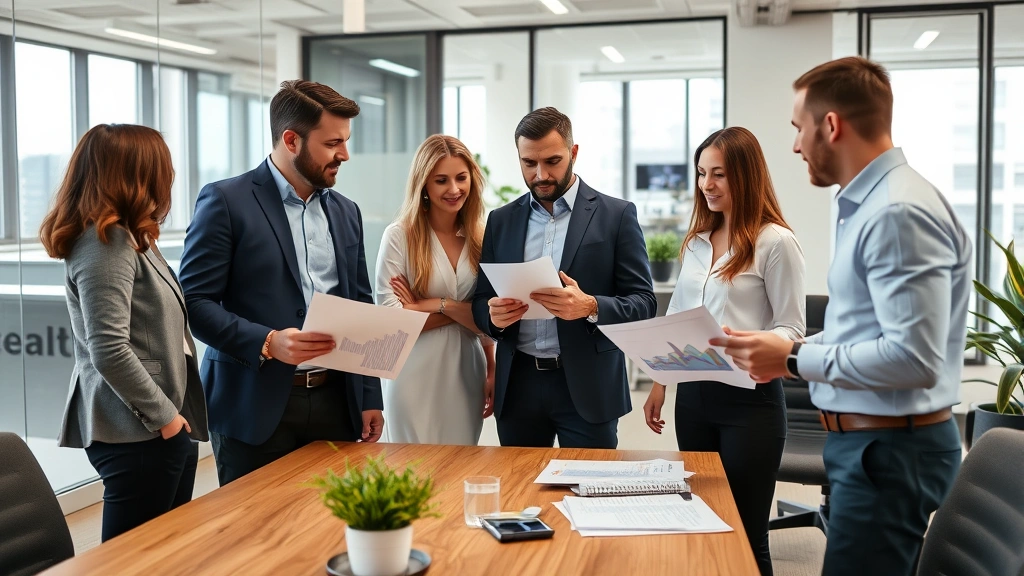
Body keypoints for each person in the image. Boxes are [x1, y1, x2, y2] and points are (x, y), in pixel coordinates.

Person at [710, 57, 971, 576]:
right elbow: (865, 330)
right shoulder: (874, 205)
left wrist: (794, 355)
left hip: (889, 449)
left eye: (797, 128)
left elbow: (914, 358)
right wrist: (783, 356)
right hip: (872, 442)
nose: (794, 145)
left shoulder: (897, 212)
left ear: (830, 126)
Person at [179, 80, 384, 486]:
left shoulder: (347, 212)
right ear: (291, 139)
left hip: (336, 401)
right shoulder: (225, 201)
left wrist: (370, 397)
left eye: (345, 141)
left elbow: (360, 306)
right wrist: (269, 342)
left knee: (330, 530)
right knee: (256, 533)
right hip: (252, 405)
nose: (344, 154)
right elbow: (194, 303)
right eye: (332, 143)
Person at [643, 127, 805, 576]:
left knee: (747, 535)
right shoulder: (697, 241)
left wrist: (753, 340)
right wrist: (660, 382)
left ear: (747, 177)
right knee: (700, 522)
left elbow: (793, 327)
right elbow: (678, 312)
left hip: (750, 403)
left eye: (719, 174)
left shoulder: (776, 243)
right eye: (701, 173)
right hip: (693, 397)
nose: (707, 185)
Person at [41, 124, 209, 541]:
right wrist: (167, 418)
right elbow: (109, 348)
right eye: (162, 168)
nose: (169, 176)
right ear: (137, 174)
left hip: (157, 425)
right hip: (139, 429)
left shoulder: (134, 236)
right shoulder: (105, 242)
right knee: (132, 558)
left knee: (165, 551)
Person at [472, 107, 657, 449]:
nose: (541, 174)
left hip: (589, 387)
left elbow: (644, 303)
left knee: (590, 492)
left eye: (552, 161)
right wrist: (492, 317)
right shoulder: (501, 221)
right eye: (529, 163)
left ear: (573, 153)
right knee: (519, 494)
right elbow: (481, 300)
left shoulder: (616, 216)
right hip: (518, 387)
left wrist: (590, 305)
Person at [375, 135, 496, 444]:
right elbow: (392, 325)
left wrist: (433, 304)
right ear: (423, 185)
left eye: (461, 178)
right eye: (441, 180)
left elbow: (491, 322)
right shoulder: (399, 236)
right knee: (411, 473)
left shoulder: (481, 238)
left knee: (459, 470)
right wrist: (465, 310)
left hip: (467, 371)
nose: (454, 189)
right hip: (411, 372)